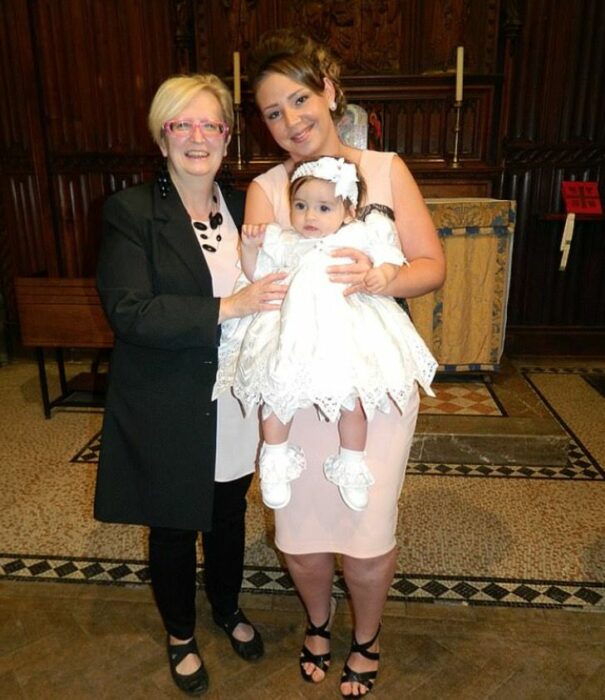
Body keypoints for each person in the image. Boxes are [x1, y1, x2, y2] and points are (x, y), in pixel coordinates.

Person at [245, 30, 446, 697]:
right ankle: (317, 622)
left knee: (365, 531)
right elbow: (256, 280)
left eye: (298, 100)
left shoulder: (385, 170)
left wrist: (380, 276)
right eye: (273, 113)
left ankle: (366, 635)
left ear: (329, 92)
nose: (290, 121)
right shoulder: (267, 187)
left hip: (371, 383)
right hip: (296, 379)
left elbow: (429, 266)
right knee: (299, 534)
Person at [94, 73, 286, 696]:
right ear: (162, 136)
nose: (197, 138)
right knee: (175, 523)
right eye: (183, 124)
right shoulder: (131, 210)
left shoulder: (243, 206)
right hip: (167, 397)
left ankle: (227, 608)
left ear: (228, 137)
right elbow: (128, 310)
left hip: (234, 398)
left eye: (211, 125)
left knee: (228, 513)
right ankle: (181, 632)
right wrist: (229, 307)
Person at [213, 156, 437, 514]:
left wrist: (385, 274)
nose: (309, 217)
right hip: (292, 334)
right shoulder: (286, 240)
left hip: (343, 335)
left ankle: (351, 462)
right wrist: (252, 249)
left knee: (353, 402)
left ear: (348, 211)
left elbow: (391, 256)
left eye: (323, 207)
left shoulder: (361, 233)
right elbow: (258, 275)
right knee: (276, 393)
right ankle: (275, 459)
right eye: (300, 206)